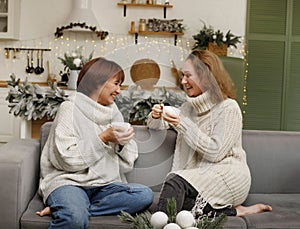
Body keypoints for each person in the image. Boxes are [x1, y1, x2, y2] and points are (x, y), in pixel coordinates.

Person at [147, 49, 272, 218]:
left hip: (229, 176)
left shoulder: (228, 108)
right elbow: (156, 126)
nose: (183, 81)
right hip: (199, 179)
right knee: (179, 202)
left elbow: (215, 152)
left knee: (174, 183)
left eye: (188, 75)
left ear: (206, 77)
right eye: (183, 75)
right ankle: (235, 211)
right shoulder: (187, 108)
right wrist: (156, 115)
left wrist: (181, 123)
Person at [36, 57, 154, 228]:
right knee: (74, 219)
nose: (119, 91)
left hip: (105, 186)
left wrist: (121, 144)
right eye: (116, 84)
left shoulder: (113, 112)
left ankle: (69, 208)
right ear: (98, 82)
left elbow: (128, 162)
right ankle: (71, 208)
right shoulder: (69, 109)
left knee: (144, 195)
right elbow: (66, 159)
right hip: (69, 182)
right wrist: (103, 138)